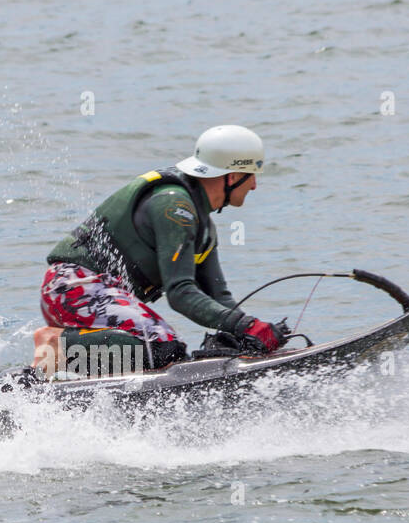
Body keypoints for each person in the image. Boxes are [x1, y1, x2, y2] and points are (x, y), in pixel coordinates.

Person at [33, 125, 289, 377]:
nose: (254, 185)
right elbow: (180, 293)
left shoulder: (201, 226)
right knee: (162, 348)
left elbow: (219, 297)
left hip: (93, 296)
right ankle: (58, 347)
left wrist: (250, 333)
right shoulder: (174, 206)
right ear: (232, 176)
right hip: (73, 288)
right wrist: (246, 326)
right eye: (252, 174)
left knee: (160, 359)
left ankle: (73, 374)